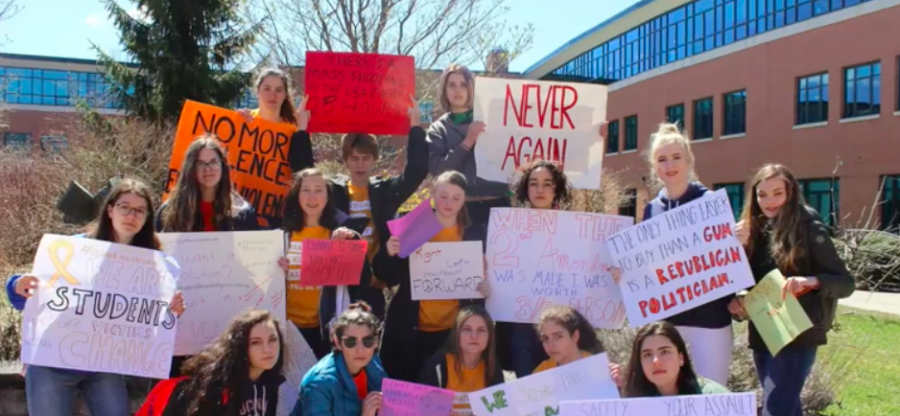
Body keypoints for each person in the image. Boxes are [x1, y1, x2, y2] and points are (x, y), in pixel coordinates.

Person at [5, 178, 185, 416]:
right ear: (110, 210)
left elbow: (151, 320)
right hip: (52, 362)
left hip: (103, 365)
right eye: (125, 207)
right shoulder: (76, 249)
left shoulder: (154, 265)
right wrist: (18, 285)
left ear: (147, 218)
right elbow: (29, 294)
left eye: (140, 210)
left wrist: (172, 310)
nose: (131, 215)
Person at [611, 123, 733, 385]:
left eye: (676, 157)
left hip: (709, 319)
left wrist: (739, 240)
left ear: (689, 160)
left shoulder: (710, 203)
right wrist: (628, 273)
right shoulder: (651, 209)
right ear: (655, 167)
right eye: (662, 159)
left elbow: (727, 259)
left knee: (713, 394)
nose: (670, 165)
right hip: (667, 320)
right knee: (668, 394)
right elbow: (648, 262)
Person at [728, 163, 854, 416]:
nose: (769, 201)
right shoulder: (753, 229)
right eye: (762, 195)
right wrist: (738, 251)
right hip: (764, 329)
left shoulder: (809, 227)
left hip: (799, 332)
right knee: (786, 405)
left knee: (776, 407)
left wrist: (811, 281)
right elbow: (745, 281)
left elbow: (845, 283)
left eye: (777, 193)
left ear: (791, 193)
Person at [313, 95, 428, 320]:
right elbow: (303, 175)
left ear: (374, 159)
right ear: (346, 160)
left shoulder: (385, 190)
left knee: (369, 347)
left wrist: (415, 126)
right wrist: (301, 129)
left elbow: (416, 171)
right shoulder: (332, 190)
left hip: (374, 285)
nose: (360, 164)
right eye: (354, 158)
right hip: (340, 284)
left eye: (366, 158)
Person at [373, 171, 488, 382]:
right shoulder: (413, 225)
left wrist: (485, 288)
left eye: (456, 198)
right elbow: (385, 274)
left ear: (464, 200)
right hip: (409, 328)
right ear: (433, 194)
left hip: (452, 332)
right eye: (443, 195)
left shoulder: (474, 233)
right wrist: (389, 252)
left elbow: (480, 286)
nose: (449, 203)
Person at [282, 168, 372, 359]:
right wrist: (274, 270)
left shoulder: (339, 233)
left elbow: (363, 279)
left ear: (328, 196)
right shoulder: (283, 234)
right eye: (306, 190)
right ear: (297, 194)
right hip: (287, 327)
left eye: (319, 190)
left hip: (325, 330)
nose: (312, 197)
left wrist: (351, 242)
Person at [137, 309, 285, 416]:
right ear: (241, 347)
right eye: (256, 342)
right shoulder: (213, 389)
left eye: (273, 339)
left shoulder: (269, 383)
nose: (267, 349)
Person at [426, 64, 510, 245]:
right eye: (452, 85)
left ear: (471, 88)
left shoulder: (492, 120)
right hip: (462, 211)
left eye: (463, 84)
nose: (458, 90)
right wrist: (467, 142)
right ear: (444, 90)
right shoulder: (437, 129)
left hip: (499, 206)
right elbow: (439, 172)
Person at [293, 301, 386, 416]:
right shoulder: (319, 384)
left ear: (376, 342)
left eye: (368, 341)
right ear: (337, 342)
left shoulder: (373, 362)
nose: (360, 350)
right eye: (350, 342)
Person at [157, 136, 260, 232]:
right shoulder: (168, 213)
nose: (208, 169)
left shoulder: (243, 213)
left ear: (223, 166)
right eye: (200, 164)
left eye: (214, 162)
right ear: (190, 169)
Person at [418, 306, 503, 414]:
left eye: (481, 330)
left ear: (490, 336)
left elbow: (499, 411)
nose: (474, 336)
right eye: (467, 329)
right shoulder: (438, 366)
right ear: (457, 334)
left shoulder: (493, 368)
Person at [623, 321, 730, 397]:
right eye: (647, 354)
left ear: (681, 358)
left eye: (664, 352)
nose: (656, 361)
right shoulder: (635, 402)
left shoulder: (712, 395)